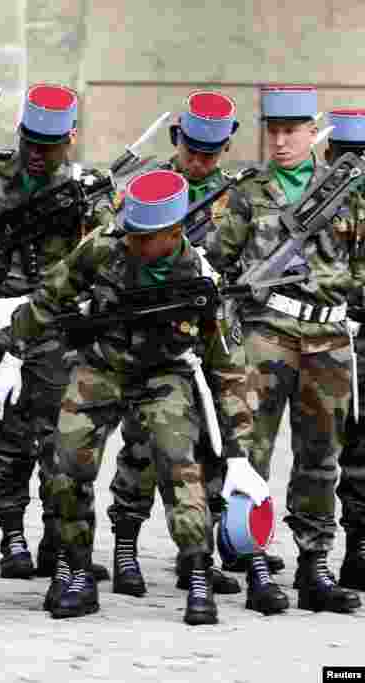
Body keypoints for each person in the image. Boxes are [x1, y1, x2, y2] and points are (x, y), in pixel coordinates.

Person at [0, 168, 268, 625]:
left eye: (143, 236)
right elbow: (49, 299)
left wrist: (238, 453)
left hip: (165, 374)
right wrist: (13, 357)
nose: (131, 241)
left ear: (173, 233)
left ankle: (197, 571)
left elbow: (227, 367)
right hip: (101, 365)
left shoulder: (200, 279)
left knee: (179, 462)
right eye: (130, 231)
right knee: (66, 460)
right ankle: (74, 570)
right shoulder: (104, 245)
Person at [206, 86, 363, 614]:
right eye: (272, 131)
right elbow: (218, 258)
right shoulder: (250, 192)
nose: (280, 141)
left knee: (321, 457)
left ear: (312, 132)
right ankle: (254, 566)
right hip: (267, 331)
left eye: (291, 131)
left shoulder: (348, 189)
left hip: (330, 338)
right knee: (251, 454)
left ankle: (314, 567)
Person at [0, 83, 113, 582]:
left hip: (53, 323)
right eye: (31, 142)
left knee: (53, 435)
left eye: (50, 144)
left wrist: (38, 303)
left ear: (71, 139)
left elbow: (106, 256)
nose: (38, 155)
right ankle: (6, 533)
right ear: (19, 134)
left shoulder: (88, 190)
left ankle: (56, 542)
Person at [105, 91, 258, 597]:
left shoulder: (237, 199)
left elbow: (243, 264)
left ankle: (200, 554)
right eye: (192, 150)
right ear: (177, 139)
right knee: (144, 445)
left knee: (214, 446)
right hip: (150, 333)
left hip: (208, 331)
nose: (199, 162)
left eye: (210, 154)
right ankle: (125, 551)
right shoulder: (145, 186)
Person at [326, 108, 365, 591]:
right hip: (322, 331)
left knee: (361, 447)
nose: (354, 166)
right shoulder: (311, 205)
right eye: (346, 156)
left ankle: (357, 546)